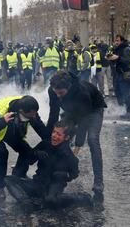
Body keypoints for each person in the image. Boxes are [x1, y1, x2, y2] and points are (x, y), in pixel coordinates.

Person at [47, 70, 106, 202]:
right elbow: (53, 113)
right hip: (72, 111)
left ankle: (98, 182)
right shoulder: (53, 91)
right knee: (61, 134)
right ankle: (56, 170)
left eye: (61, 93)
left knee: (92, 139)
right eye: (55, 93)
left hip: (92, 110)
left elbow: (83, 122)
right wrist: (49, 135)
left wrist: (78, 144)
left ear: (68, 88)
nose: (58, 96)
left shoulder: (81, 92)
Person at [5, 121, 92, 208]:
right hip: (37, 183)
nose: (54, 135)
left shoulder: (69, 156)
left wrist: (65, 175)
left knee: (51, 200)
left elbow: (75, 173)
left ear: (66, 137)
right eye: (54, 132)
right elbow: (30, 161)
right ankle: (26, 202)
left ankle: (80, 198)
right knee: (8, 179)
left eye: (58, 134)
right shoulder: (45, 144)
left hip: (54, 188)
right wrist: (36, 153)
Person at [0, 96, 49, 199]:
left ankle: (19, 175)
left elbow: (40, 128)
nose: (33, 118)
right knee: (2, 152)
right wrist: (3, 121)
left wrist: (52, 140)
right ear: (21, 111)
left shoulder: (29, 109)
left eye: (34, 115)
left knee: (24, 148)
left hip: (8, 126)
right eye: (30, 117)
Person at [107, 35, 130, 117]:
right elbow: (115, 61)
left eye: (118, 40)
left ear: (122, 41)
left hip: (124, 74)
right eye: (115, 40)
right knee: (117, 91)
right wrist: (110, 58)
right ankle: (122, 108)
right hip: (117, 73)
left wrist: (117, 58)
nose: (116, 42)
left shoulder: (126, 49)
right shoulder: (117, 49)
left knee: (125, 93)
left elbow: (127, 60)